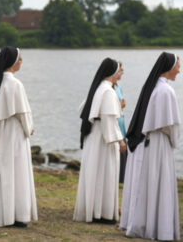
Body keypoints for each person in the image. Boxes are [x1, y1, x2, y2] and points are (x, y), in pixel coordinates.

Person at [120, 52, 180, 241]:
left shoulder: (154, 87)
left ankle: (145, 223)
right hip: (160, 143)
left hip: (150, 142)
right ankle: (159, 228)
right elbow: (171, 126)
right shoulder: (166, 91)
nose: (180, 70)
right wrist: (175, 140)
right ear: (170, 68)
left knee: (148, 184)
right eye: (178, 66)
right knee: (158, 183)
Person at [0, 46, 38, 227]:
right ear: (12, 62)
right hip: (13, 135)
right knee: (15, 172)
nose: (21, 62)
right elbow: (22, 113)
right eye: (20, 59)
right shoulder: (14, 83)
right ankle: (16, 215)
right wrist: (30, 129)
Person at [73, 58, 126, 223]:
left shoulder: (98, 88)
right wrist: (119, 140)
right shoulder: (108, 91)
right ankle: (103, 213)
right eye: (119, 70)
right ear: (112, 72)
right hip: (104, 139)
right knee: (106, 174)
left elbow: (83, 110)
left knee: (95, 174)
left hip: (94, 136)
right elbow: (109, 120)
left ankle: (94, 210)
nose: (120, 74)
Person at [113, 62, 127, 183]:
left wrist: (121, 105)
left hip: (122, 127)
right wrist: (120, 105)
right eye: (120, 70)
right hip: (115, 127)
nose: (122, 73)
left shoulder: (118, 87)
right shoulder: (109, 88)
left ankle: (121, 180)